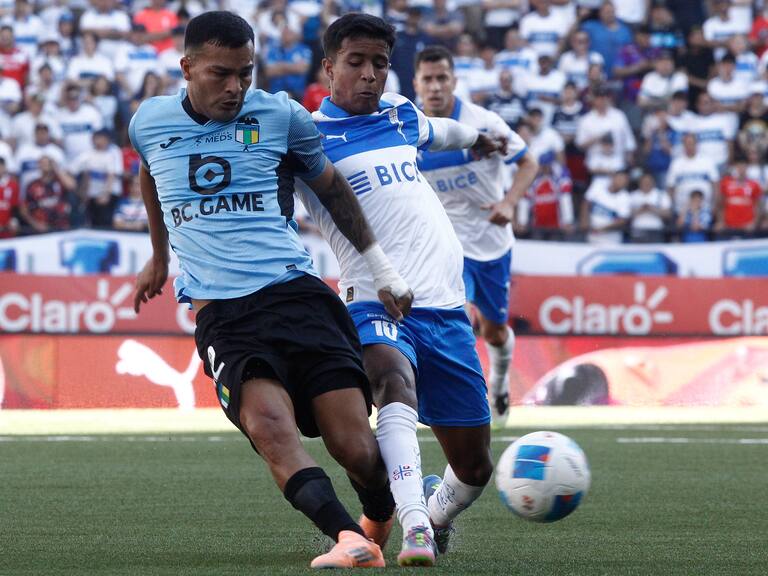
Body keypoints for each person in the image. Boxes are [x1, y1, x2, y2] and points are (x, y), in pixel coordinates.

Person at [128, 11, 414, 570]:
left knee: (355, 447)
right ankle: (348, 539)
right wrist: (159, 257)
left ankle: (379, 513)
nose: (235, 87)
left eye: (245, 73)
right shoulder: (149, 122)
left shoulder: (281, 115)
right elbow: (148, 171)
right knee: (269, 428)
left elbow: (330, 189)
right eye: (220, 74)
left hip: (297, 296)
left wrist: (382, 270)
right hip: (225, 317)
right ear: (186, 68)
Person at [296, 14, 507, 567]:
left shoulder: (402, 114)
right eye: (356, 62)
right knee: (392, 383)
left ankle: (435, 516)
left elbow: (444, 132)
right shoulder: (307, 138)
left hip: (445, 307)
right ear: (329, 67)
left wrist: (481, 141)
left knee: (476, 466)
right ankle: (414, 524)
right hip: (373, 297)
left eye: (380, 64)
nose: (370, 74)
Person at [413, 44, 538, 419]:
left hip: (491, 241)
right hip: (445, 240)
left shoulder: (483, 123)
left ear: (454, 81)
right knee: (454, 314)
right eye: (427, 79)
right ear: (417, 84)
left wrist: (509, 203)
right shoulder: (411, 129)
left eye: (442, 78)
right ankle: (462, 399)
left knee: (495, 330)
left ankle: (499, 381)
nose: (435, 87)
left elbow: (528, 162)